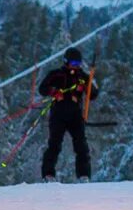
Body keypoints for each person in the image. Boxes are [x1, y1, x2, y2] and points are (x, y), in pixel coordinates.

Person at [39, 47, 98, 183]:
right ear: (66, 62)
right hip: (58, 115)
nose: (75, 67)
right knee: (54, 145)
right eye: (72, 63)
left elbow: (93, 95)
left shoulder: (82, 76)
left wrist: (88, 86)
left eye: (77, 64)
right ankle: (48, 175)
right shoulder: (56, 74)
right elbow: (42, 89)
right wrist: (53, 91)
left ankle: (84, 175)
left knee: (81, 146)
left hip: (75, 116)